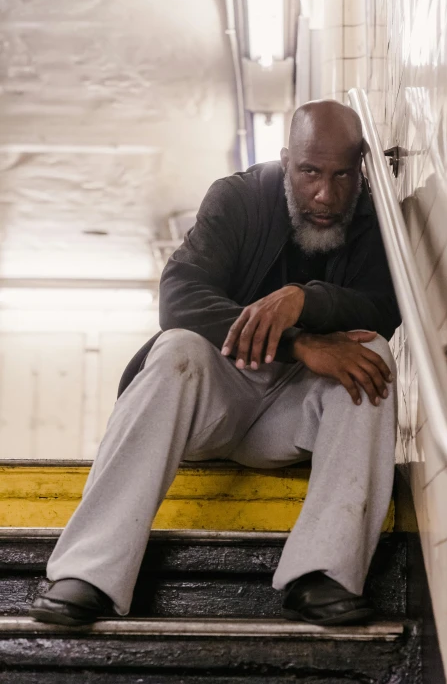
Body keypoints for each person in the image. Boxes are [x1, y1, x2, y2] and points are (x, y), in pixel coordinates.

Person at [30, 99, 401, 627]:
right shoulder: (239, 197)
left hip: (289, 421)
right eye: (309, 172)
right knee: (178, 346)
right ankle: (87, 572)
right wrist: (298, 341)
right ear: (285, 159)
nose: (325, 193)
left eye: (342, 174)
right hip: (215, 408)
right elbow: (179, 296)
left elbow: (384, 309)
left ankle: (324, 574)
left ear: (362, 165)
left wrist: (303, 297)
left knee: (372, 355)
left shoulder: (374, 219)